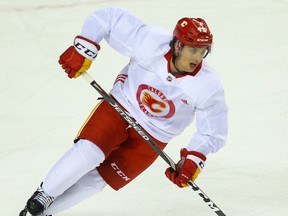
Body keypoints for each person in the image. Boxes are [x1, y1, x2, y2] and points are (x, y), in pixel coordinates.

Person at [20, 6, 228, 216]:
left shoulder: (208, 85)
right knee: (88, 152)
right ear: (177, 45)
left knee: (99, 180)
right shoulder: (150, 42)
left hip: (155, 136)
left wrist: (193, 158)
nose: (198, 58)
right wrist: (84, 47)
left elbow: (212, 131)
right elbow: (108, 18)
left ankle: (39, 213)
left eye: (203, 51)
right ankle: (45, 193)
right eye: (193, 50)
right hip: (121, 106)